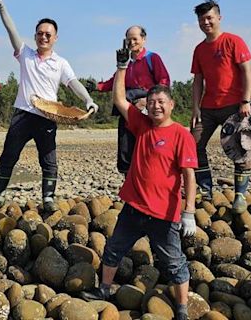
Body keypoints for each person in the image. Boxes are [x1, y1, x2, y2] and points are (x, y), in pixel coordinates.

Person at [80, 40, 198, 320]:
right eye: (152, 102)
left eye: (161, 102)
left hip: (163, 215)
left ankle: (181, 309)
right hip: (133, 207)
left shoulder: (181, 134)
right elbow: (119, 100)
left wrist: (189, 212)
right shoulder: (140, 124)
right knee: (113, 249)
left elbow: (189, 176)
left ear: (171, 105)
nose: (156, 106)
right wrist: (121, 67)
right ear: (146, 106)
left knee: (174, 263)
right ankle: (104, 290)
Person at [0, 0, 99, 213]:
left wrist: (88, 100)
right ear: (35, 35)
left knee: (48, 159)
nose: (43, 37)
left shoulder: (61, 63)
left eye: (48, 34)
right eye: (40, 33)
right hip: (23, 114)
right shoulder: (25, 54)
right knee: (9, 155)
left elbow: (73, 83)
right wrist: (1, 6)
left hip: (48, 116)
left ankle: (48, 199)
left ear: (55, 38)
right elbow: (11, 30)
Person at [190, 0, 251, 213]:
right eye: (201, 19)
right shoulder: (199, 49)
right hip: (207, 107)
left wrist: (246, 100)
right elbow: (197, 80)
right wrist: (195, 108)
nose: (205, 22)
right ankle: (206, 190)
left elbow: (246, 71)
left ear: (219, 18)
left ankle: (240, 196)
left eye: (209, 18)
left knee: (240, 149)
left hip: (234, 106)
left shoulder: (233, 41)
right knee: (193, 145)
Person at [88, 25, 170, 175]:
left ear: (143, 39)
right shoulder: (126, 62)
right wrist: (97, 86)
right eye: (128, 39)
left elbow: (164, 81)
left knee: (147, 145)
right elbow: (115, 82)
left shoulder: (152, 58)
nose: (131, 42)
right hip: (127, 108)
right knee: (126, 148)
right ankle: (129, 183)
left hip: (148, 110)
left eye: (135, 39)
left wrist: (148, 100)